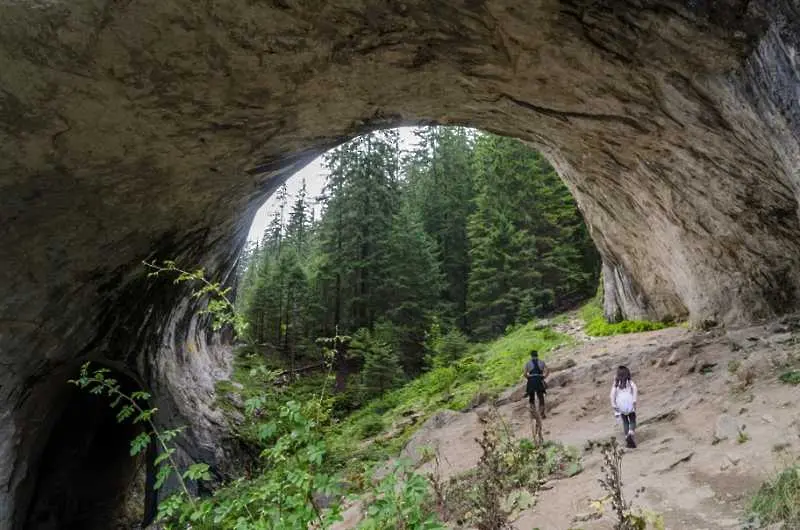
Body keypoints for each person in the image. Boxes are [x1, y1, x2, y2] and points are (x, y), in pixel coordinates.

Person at [610, 365, 638, 448]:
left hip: (620, 403)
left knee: (625, 421)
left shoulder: (616, 384)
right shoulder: (629, 382)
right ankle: (631, 432)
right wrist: (634, 400)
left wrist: (613, 405)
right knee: (632, 419)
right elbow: (635, 389)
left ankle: (627, 437)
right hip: (629, 401)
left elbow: (612, 395)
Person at [524, 350, 549, 419]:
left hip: (531, 380)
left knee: (531, 398)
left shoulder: (528, 363)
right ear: (537, 355)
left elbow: (525, 374)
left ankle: (534, 414)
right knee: (541, 397)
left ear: (531, 356)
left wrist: (529, 378)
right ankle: (542, 414)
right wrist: (543, 377)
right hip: (539, 379)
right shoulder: (542, 362)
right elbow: (547, 371)